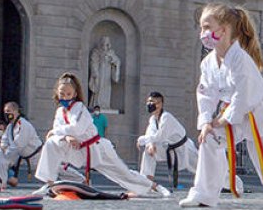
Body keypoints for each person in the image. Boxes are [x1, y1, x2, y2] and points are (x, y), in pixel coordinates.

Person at [180, 4, 263, 208]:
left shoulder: (241, 60)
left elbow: (243, 95)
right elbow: (205, 93)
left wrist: (222, 119)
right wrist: (205, 121)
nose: (202, 34)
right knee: (209, 139)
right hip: (230, 111)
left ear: (224, 30)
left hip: (255, 113)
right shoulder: (208, 63)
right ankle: (204, 194)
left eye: (206, 27)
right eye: (201, 28)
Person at [34, 72, 168, 197]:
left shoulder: (80, 108)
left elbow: (77, 128)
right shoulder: (60, 112)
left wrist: (58, 132)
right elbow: (59, 129)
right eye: (62, 94)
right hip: (77, 149)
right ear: (57, 93)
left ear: (75, 94)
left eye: (68, 94)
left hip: (96, 149)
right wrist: (65, 136)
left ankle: (155, 186)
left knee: (123, 173)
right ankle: (50, 183)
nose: (65, 97)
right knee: (51, 144)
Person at [137, 91, 198, 188]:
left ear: (160, 104)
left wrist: (141, 139)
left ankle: (226, 183)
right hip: (170, 150)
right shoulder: (153, 119)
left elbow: (160, 137)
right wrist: (150, 144)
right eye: (148, 102)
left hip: (184, 149)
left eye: (153, 102)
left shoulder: (166, 117)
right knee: (148, 152)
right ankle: (146, 183)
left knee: (202, 169)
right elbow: (150, 133)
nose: (150, 104)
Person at [0, 101, 42, 188]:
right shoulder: (10, 126)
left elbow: (19, 145)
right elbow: (4, 139)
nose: (7, 113)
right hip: (20, 154)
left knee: (56, 170)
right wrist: (4, 147)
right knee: (0, 154)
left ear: (16, 111)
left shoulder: (23, 124)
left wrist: (8, 152)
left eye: (9, 111)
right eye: (5, 112)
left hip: (36, 156)